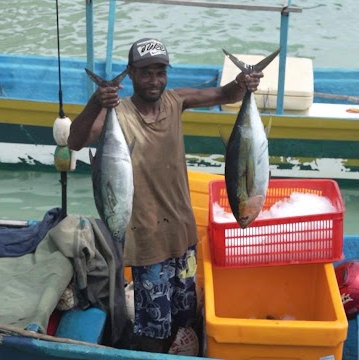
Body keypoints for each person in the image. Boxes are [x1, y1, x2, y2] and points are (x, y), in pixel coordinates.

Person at [67, 38, 263, 353]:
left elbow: (226, 94)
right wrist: (97, 102)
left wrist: (244, 82)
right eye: (146, 73)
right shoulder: (119, 112)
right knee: (154, 327)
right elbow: (75, 141)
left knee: (186, 314)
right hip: (146, 242)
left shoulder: (176, 101)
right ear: (130, 73)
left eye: (160, 72)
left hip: (183, 235)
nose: (154, 81)